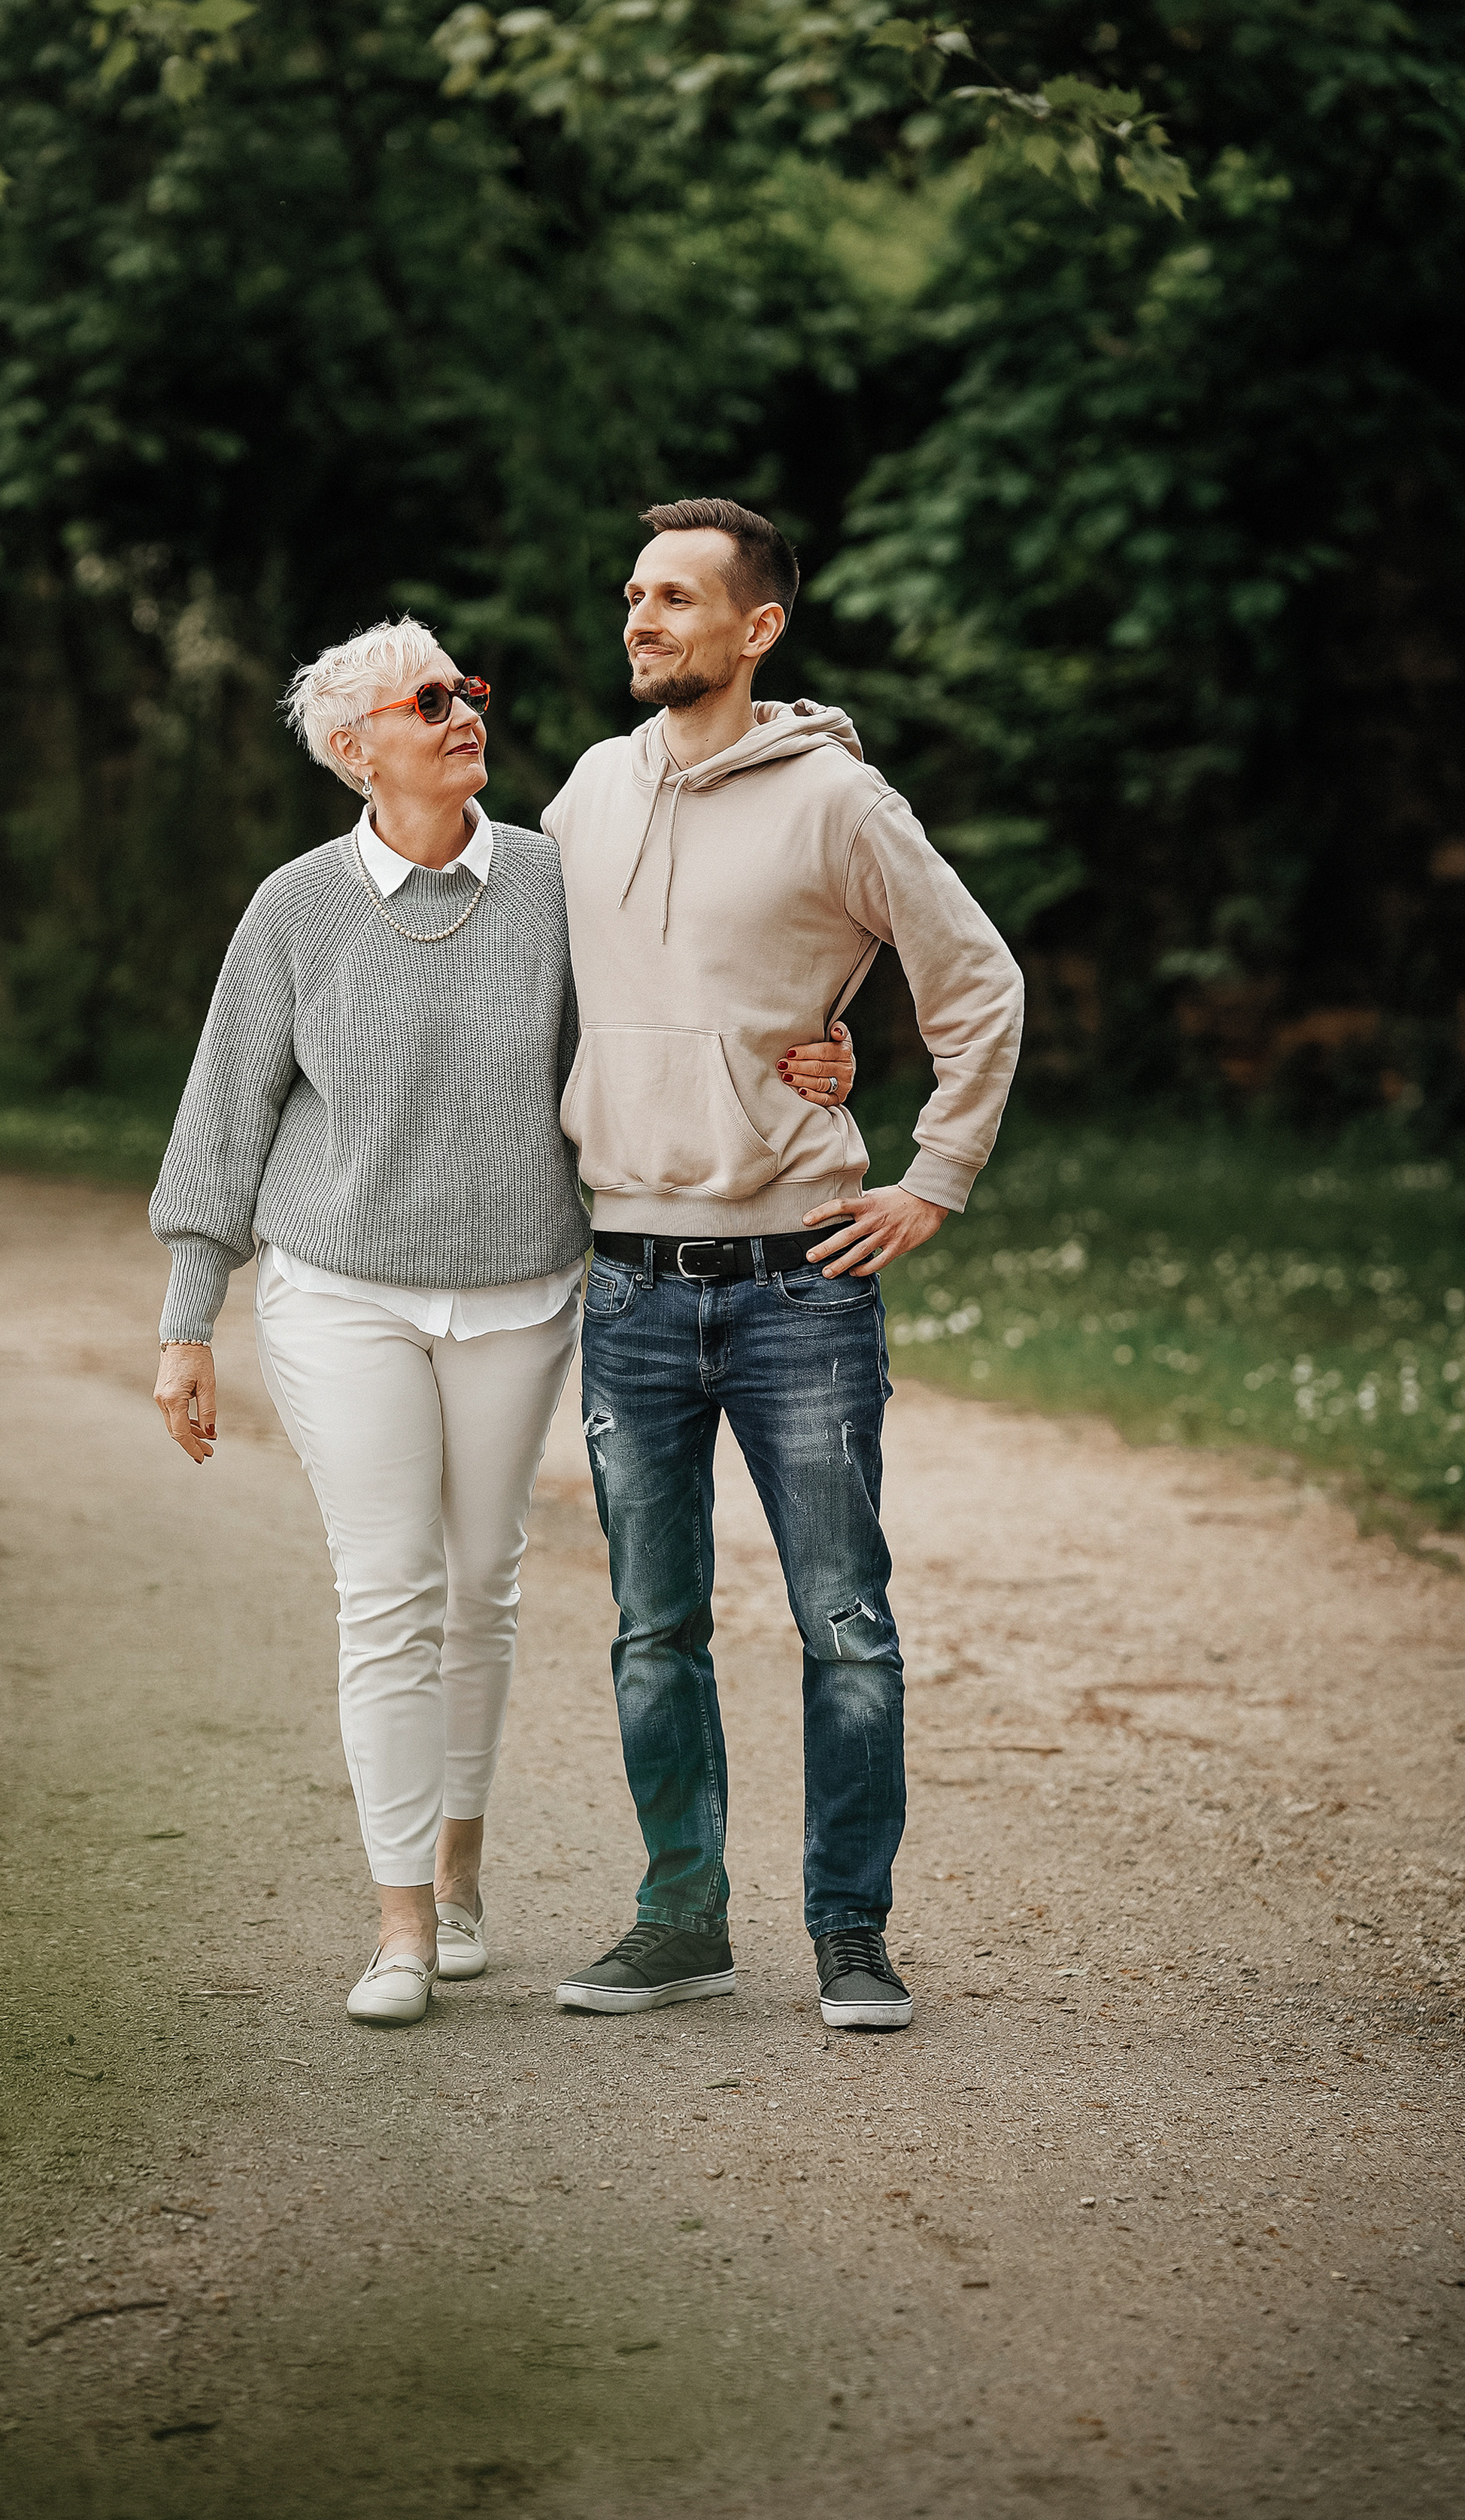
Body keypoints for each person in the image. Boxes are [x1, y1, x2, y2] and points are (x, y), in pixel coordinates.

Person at [149, 613, 857, 2026]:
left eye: (469, 689)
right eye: (429, 699)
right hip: (341, 1289)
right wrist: (187, 1321)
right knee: (391, 1589)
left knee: (482, 1588)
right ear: (357, 749)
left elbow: (682, 1002)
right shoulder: (294, 909)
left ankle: (460, 1882)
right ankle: (400, 1925)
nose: (466, 710)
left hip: (526, 1289)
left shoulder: (551, 880)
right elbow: (223, 1116)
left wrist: (819, 1053)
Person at [541, 499, 1024, 2029]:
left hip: (796, 1289)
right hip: (623, 1280)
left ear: (755, 630)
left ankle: (847, 1934)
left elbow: (976, 984)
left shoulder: (837, 804)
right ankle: (678, 1919)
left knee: (843, 1626)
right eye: (630, 594)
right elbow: (532, 989)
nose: (640, 618)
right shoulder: (581, 793)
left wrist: (927, 1180)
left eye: (674, 598)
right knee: (649, 1629)